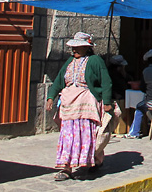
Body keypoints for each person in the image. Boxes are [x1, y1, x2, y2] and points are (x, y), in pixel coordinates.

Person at [45, 32, 112, 181]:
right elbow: (59, 80)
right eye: (73, 47)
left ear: (87, 48)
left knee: (88, 134)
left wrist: (107, 102)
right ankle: (66, 167)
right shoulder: (69, 62)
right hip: (69, 104)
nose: (73, 50)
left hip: (87, 104)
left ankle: (93, 161)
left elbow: (106, 81)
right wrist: (51, 96)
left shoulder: (95, 61)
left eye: (77, 47)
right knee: (68, 135)